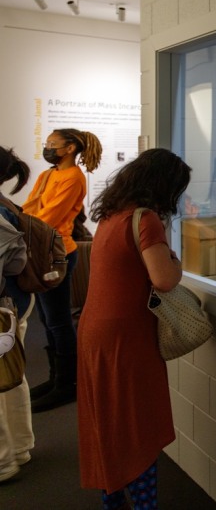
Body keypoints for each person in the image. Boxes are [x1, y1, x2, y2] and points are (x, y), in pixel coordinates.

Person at [76, 148, 191, 508]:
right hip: (126, 338)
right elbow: (164, 279)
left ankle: (115, 501)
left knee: (108, 424)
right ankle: (144, 504)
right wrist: (177, 261)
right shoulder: (146, 219)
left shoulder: (111, 216)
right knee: (137, 425)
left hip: (95, 331)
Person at [22, 128, 101, 412]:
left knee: (58, 320)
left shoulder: (74, 178)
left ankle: (68, 384)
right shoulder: (47, 175)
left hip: (58, 254)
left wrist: (24, 227)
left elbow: (49, 218)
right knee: (47, 318)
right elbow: (31, 208)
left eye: (52, 144)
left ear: (69, 148)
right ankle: (56, 378)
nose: (48, 148)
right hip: (41, 252)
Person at [0, 147, 35, 483]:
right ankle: (20, 448)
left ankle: (2, 462)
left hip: (3, 306)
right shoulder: (8, 206)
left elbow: (11, 263)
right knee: (11, 374)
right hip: (15, 303)